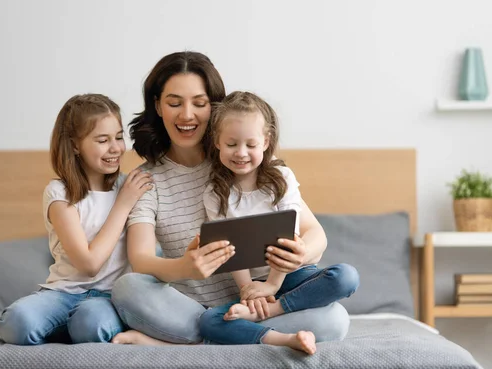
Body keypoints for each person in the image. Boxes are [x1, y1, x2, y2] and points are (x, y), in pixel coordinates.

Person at [110, 51, 352, 347]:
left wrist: (300, 255)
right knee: (127, 288)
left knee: (335, 321)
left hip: (263, 303)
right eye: (175, 103)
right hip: (188, 310)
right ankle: (215, 332)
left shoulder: (246, 159)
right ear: (158, 105)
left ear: (214, 108)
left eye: (199, 104)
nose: (187, 115)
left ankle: (202, 341)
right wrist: (184, 267)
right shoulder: (146, 180)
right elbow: (141, 261)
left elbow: (315, 234)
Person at [198, 91, 359, 353]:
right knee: (208, 321)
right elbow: (229, 250)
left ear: (265, 141)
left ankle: (272, 311)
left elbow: (289, 236)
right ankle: (283, 338)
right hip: (254, 280)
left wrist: (272, 286)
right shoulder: (214, 193)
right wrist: (248, 291)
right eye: (231, 144)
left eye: (250, 145)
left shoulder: (281, 179)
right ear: (217, 141)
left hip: (293, 275)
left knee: (346, 277)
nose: (241, 153)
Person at [0, 94, 153, 345]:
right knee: (17, 323)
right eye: (102, 140)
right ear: (75, 145)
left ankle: (70, 326)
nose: (116, 148)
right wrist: (123, 204)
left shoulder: (129, 185)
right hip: (62, 293)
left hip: (109, 297)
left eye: (119, 137)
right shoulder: (60, 193)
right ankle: (62, 323)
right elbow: (89, 263)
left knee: (91, 325)